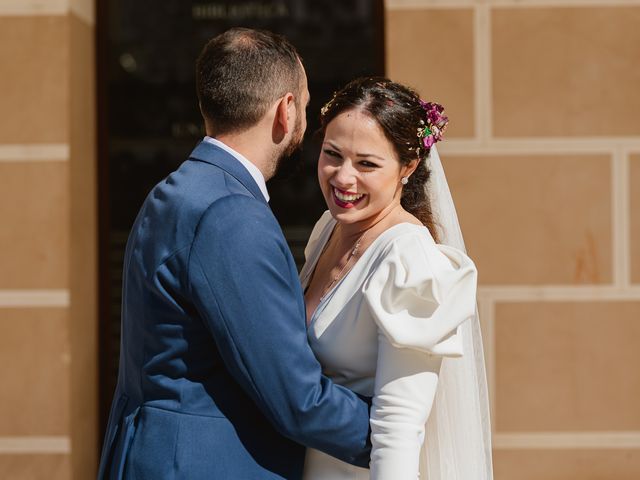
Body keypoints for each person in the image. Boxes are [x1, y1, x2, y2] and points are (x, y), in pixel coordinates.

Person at [97, 28, 372, 480]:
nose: (302, 117)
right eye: (303, 105)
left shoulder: (176, 189)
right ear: (285, 111)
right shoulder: (231, 215)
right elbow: (295, 398)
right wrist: (398, 430)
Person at [300, 77, 493, 479]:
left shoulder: (412, 263)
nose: (342, 178)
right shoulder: (328, 229)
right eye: (332, 154)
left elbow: (398, 428)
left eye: (366, 163)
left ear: (408, 167)